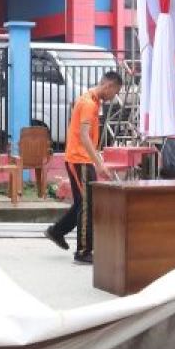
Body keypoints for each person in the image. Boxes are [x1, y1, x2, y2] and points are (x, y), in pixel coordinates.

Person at [44, 71, 123, 265]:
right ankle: (83, 251)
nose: (114, 96)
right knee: (88, 204)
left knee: (82, 202)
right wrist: (99, 163)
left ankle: (57, 231)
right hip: (80, 160)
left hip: (81, 158)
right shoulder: (89, 104)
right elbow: (84, 136)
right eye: (115, 91)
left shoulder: (92, 100)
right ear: (108, 86)